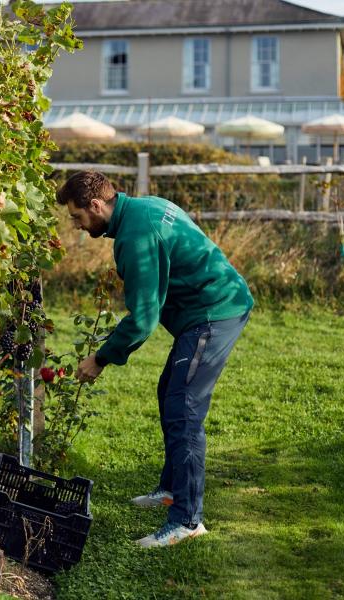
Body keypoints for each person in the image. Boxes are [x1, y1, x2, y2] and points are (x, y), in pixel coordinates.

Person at [57, 171, 253, 548]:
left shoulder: (135, 235)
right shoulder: (144, 208)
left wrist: (101, 357)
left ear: (96, 205)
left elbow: (144, 318)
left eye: (78, 218)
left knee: (184, 408)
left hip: (215, 311)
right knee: (170, 392)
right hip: (205, 308)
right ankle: (171, 489)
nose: (79, 227)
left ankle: (187, 520)